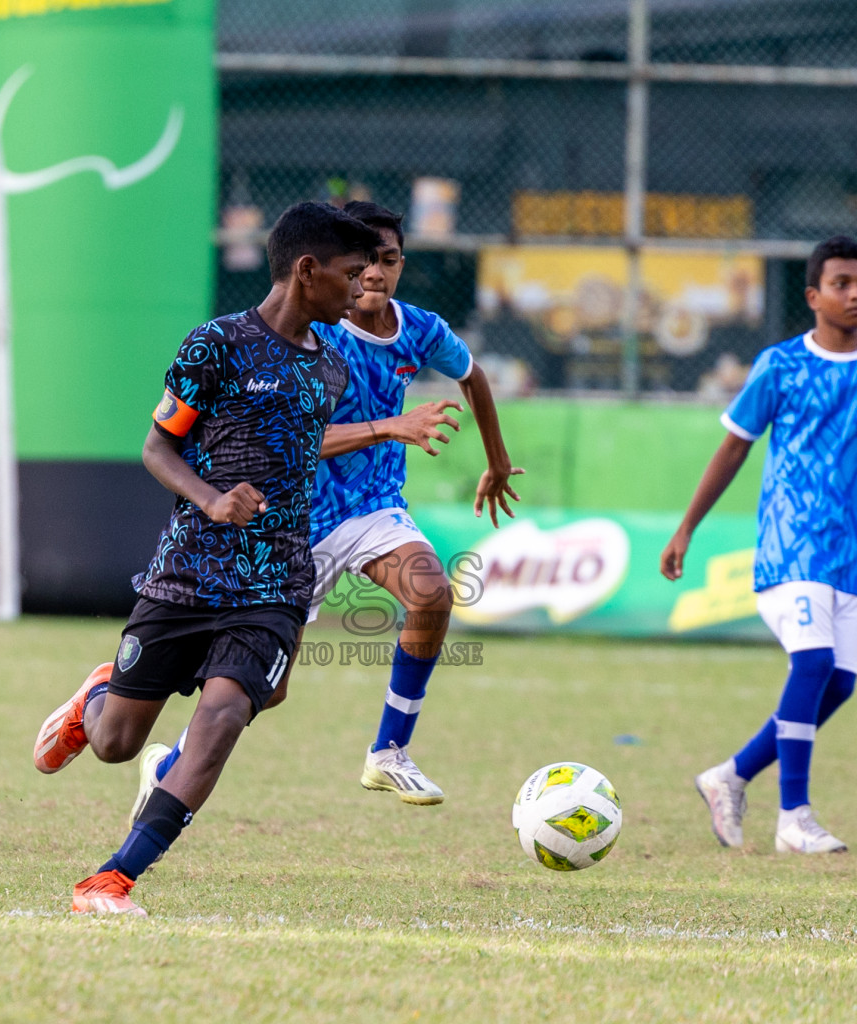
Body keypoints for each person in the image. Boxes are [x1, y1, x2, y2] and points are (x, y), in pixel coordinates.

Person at [29, 202, 381, 915]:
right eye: (350, 275)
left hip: (276, 581)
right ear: (306, 271)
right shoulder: (214, 346)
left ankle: (113, 877)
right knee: (117, 745)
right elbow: (158, 447)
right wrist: (214, 499)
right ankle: (95, 699)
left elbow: (297, 446)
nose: (361, 289)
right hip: (187, 572)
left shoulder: (334, 371)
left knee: (223, 717)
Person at [134, 200, 523, 811]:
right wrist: (390, 426)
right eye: (362, 263)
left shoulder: (419, 329)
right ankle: (169, 762)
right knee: (268, 690)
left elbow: (472, 376)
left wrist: (497, 462)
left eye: (387, 261)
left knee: (431, 591)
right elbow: (296, 443)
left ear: (399, 265)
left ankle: (389, 752)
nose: (373, 275)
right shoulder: (316, 330)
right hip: (298, 520)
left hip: (371, 506)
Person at [661, 235, 857, 855]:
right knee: (810, 667)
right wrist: (687, 528)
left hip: (856, 556)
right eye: (842, 283)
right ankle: (794, 819)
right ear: (813, 296)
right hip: (792, 547)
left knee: (837, 685)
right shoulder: (780, 365)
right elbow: (733, 446)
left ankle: (728, 776)